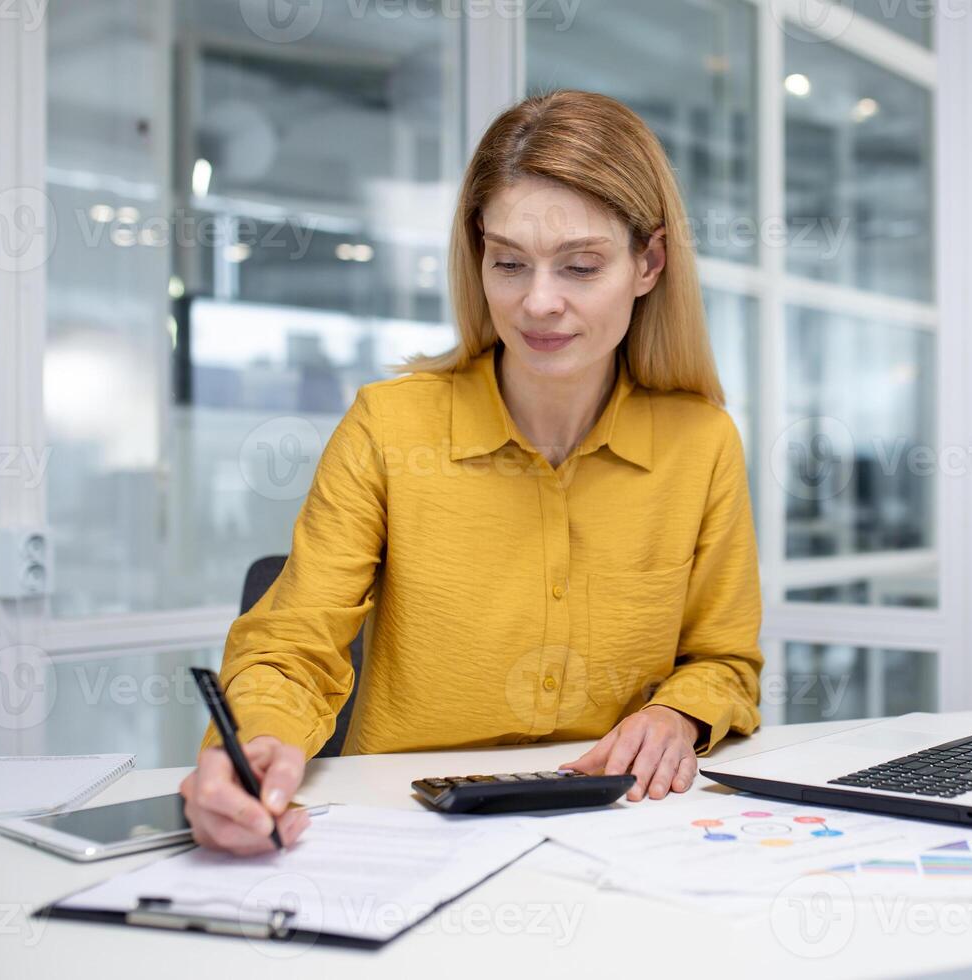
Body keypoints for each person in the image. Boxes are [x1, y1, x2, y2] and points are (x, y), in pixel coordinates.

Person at [180, 90, 764, 854]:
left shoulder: (702, 442)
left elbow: (724, 662)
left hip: (624, 833)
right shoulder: (389, 428)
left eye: (581, 266)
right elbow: (291, 649)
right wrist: (255, 742)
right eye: (509, 264)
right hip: (412, 833)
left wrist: (678, 715)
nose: (539, 303)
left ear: (648, 262)